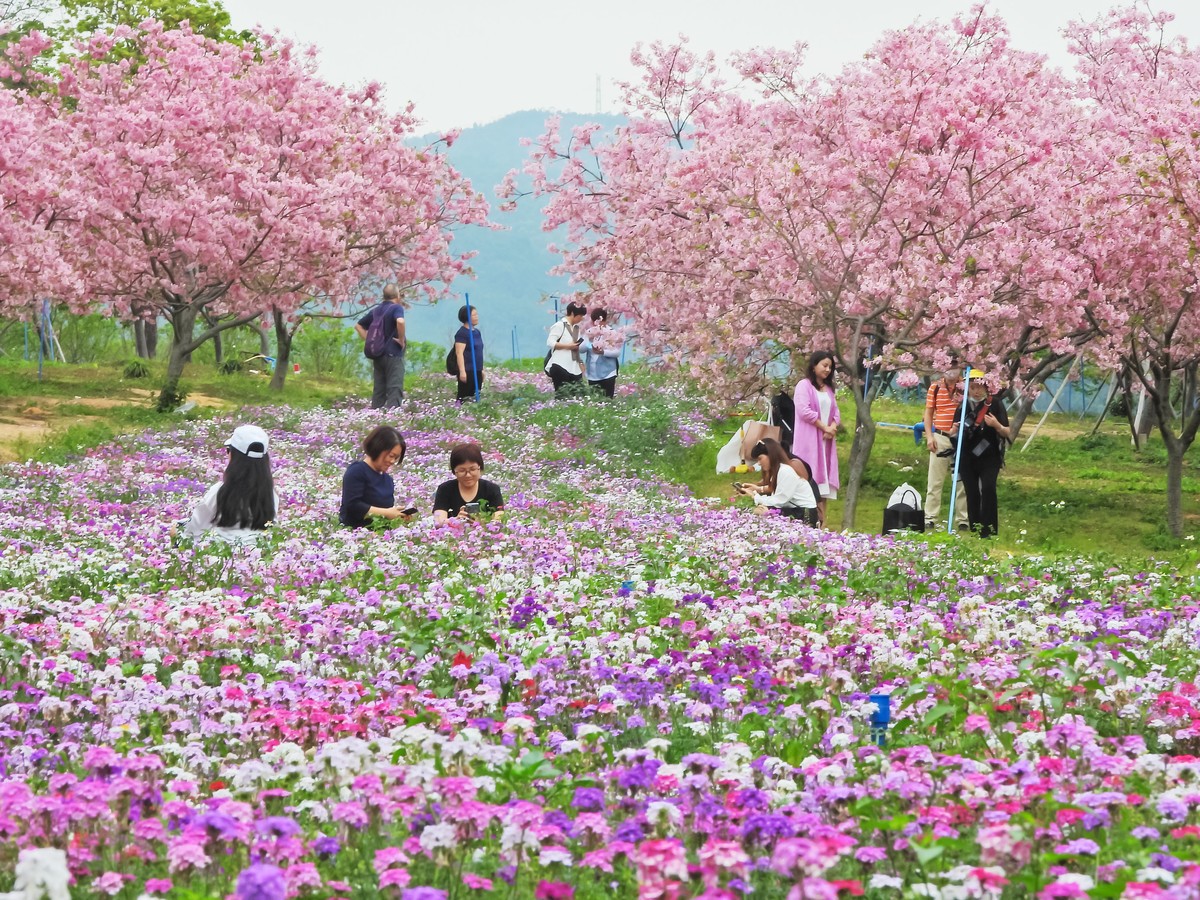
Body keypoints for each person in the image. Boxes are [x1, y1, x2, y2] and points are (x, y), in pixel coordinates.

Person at [183, 425, 277, 542]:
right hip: (257, 553)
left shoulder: (220, 491)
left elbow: (194, 530)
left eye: (228, 450)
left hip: (220, 554)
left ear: (234, 455)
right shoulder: (270, 494)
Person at [954, 376, 1011, 538]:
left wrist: (996, 425)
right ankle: (976, 528)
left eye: (979, 387)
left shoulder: (996, 404)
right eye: (972, 387)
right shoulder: (963, 406)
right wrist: (954, 429)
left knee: (988, 488)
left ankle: (989, 529)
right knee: (971, 492)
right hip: (967, 456)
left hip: (990, 456)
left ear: (986, 387)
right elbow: (953, 430)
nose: (976, 391)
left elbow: (1007, 432)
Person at [793, 351, 840, 527]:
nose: (827, 370)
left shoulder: (828, 389)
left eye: (830, 367)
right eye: (824, 365)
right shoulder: (804, 386)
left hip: (826, 441)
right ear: (814, 366)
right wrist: (823, 426)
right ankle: (809, 523)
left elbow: (836, 411)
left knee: (824, 486)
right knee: (810, 481)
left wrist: (833, 427)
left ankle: (822, 523)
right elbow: (804, 411)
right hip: (809, 442)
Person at [923, 361, 969, 532]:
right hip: (940, 436)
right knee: (935, 481)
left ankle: (962, 519)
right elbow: (928, 414)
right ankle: (930, 518)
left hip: (961, 439)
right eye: (948, 366)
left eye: (955, 367)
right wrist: (929, 436)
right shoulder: (935, 388)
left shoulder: (966, 387)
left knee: (962, 481)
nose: (951, 371)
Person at [339, 426, 413, 528]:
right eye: (391, 456)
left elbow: (385, 511)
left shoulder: (388, 480)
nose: (392, 461)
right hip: (355, 533)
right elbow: (353, 506)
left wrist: (396, 516)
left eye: (396, 458)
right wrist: (386, 513)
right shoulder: (357, 471)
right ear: (377, 448)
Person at [735, 438, 818, 524]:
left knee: (762, 512)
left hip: (805, 513)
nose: (759, 463)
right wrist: (756, 491)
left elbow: (780, 501)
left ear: (771, 455)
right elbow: (778, 498)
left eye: (760, 458)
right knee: (759, 511)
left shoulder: (785, 471)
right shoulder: (779, 470)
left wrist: (755, 496)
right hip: (796, 509)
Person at [355, 284, 406, 409]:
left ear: (383, 296)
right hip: (393, 354)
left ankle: (375, 416)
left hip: (378, 354)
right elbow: (400, 321)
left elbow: (358, 326)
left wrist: (370, 340)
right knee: (394, 386)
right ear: (397, 295)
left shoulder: (376, 310)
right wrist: (401, 339)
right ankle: (393, 417)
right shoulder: (396, 308)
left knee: (379, 388)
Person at [433, 443, 505, 523]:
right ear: (454, 471)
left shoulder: (491, 489)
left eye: (472, 469)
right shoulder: (445, 489)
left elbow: (499, 518)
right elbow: (438, 521)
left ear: (480, 468)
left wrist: (481, 522)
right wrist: (456, 520)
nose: (468, 475)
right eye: (462, 470)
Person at [545, 302, 587, 396]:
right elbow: (550, 342)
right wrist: (568, 346)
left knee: (578, 395)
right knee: (562, 395)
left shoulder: (576, 328)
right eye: (580, 315)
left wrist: (580, 362)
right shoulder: (560, 326)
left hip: (574, 367)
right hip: (560, 365)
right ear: (572, 313)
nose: (581, 318)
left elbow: (575, 347)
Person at [580, 308, 623, 398]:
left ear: (604, 320)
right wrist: (589, 341)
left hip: (608, 373)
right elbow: (581, 349)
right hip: (592, 374)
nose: (597, 325)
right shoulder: (589, 332)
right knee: (595, 400)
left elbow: (617, 352)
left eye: (600, 322)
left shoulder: (611, 333)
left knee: (608, 399)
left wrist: (603, 352)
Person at [453, 305, 485, 403]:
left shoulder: (477, 333)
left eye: (476, 314)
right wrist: (462, 371)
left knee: (476, 397)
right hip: (468, 370)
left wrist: (481, 370)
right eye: (474, 315)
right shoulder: (462, 333)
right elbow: (459, 353)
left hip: (477, 370)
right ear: (467, 317)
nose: (477, 317)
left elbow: (478, 352)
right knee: (465, 397)